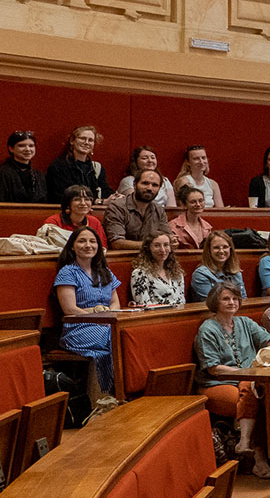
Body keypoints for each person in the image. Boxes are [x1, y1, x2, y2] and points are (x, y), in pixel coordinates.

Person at [54, 227, 121, 409]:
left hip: (106, 326)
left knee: (117, 342)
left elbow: (116, 303)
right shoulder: (68, 272)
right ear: (73, 247)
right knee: (114, 339)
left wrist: (107, 315)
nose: (88, 245)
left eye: (92, 241)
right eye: (82, 241)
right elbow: (70, 309)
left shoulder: (104, 270)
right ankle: (109, 400)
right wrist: (96, 313)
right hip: (78, 327)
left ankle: (116, 397)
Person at [104, 167, 169, 249]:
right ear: (134, 185)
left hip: (151, 258)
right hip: (123, 259)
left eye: (155, 185)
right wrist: (153, 245)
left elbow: (167, 237)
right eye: (145, 183)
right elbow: (117, 243)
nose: (149, 188)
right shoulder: (117, 207)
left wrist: (172, 242)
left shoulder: (159, 210)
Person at [45, 126, 107, 201]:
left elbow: (105, 190)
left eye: (90, 140)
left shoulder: (97, 168)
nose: (86, 142)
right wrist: (96, 201)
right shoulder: (58, 166)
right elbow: (61, 196)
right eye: (83, 138)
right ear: (72, 141)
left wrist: (115, 197)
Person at [129, 232, 185, 308]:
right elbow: (143, 305)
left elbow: (182, 302)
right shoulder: (140, 274)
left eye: (166, 245)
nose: (162, 250)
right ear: (148, 248)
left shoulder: (177, 272)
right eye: (157, 246)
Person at [190, 231, 245, 301]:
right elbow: (210, 304)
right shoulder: (201, 274)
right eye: (216, 248)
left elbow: (243, 299)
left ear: (230, 249)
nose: (221, 251)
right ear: (209, 250)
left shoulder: (236, 273)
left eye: (225, 247)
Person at [1, 130, 44, 204]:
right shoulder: (3, 173)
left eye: (31, 146)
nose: (27, 149)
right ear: (11, 148)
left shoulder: (39, 175)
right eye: (21, 146)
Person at [168, 185, 214, 250]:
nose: (198, 204)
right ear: (184, 205)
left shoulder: (207, 226)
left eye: (201, 201)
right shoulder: (173, 226)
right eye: (193, 202)